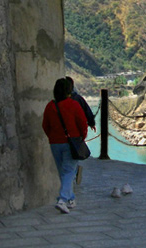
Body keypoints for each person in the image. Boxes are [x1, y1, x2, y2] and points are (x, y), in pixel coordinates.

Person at [42, 77, 88, 214]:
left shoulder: (51, 106)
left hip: (55, 143)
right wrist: (81, 138)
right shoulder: (73, 105)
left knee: (63, 171)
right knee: (69, 171)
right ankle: (62, 200)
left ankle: (71, 199)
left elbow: (45, 125)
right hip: (71, 142)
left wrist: (52, 137)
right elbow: (82, 123)